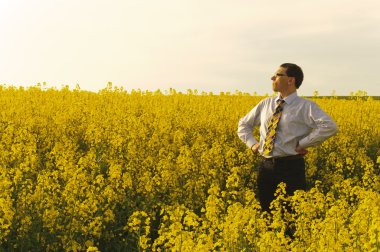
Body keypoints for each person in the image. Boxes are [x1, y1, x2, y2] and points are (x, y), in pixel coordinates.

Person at [237, 63, 338, 212]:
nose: (273, 78)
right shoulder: (266, 104)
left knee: (293, 215)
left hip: (291, 167)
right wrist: (253, 144)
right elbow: (243, 124)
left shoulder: (305, 106)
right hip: (265, 167)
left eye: (278, 75)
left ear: (291, 80)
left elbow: (329, 126)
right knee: (267, 214)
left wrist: (303, 143)